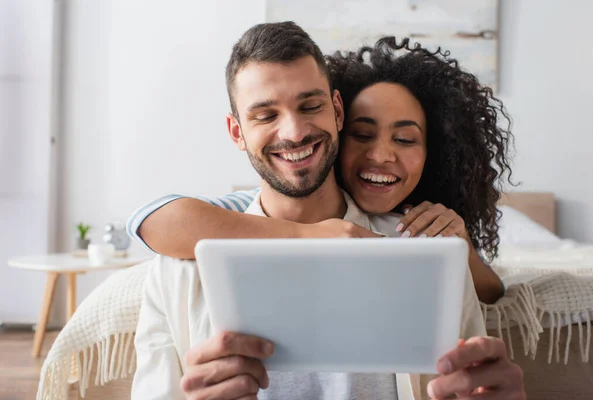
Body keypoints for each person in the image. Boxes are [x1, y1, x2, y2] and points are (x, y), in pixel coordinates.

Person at [131, 22, 524, 399]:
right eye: (266, 115)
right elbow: (159, 217)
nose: (294, 132)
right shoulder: (176, 273)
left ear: (337, 111)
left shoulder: (429, 253)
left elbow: (474, 379)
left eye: (310, 106)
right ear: (237, 132)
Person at [127, 35, 513, 305]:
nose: (380, 156)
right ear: (342, 124)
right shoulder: (275, 198)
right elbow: (154, 219)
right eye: (363, 135)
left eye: (406, 140)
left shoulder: (426, 227)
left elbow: (490, 293)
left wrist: (460, 247)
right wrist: (308, 233)